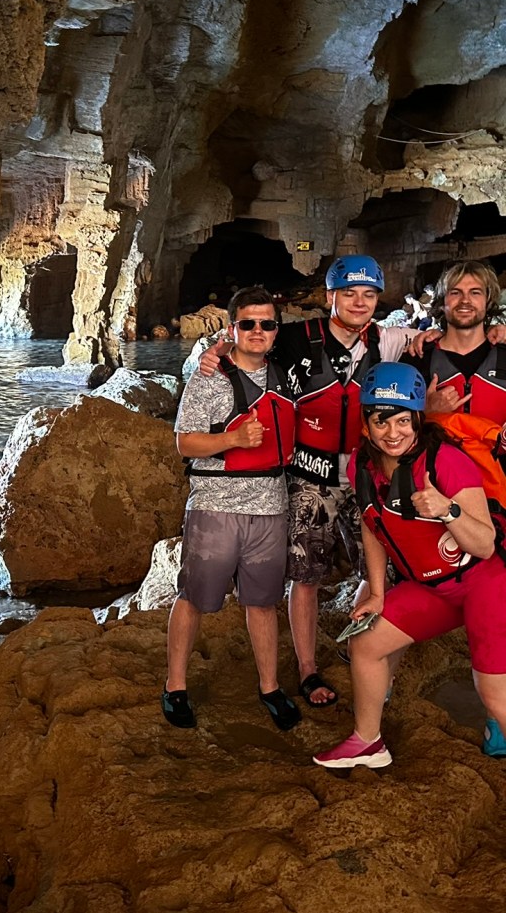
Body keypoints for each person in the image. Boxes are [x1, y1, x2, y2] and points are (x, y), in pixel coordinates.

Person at [197, 255, 420, 708]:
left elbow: (442, 339)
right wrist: (214, 351)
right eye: (349, 293)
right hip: (307, 476)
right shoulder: (296, 337)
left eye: (369, 295)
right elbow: (245, 346)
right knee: (306, 574)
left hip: (363, 475)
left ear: (379, 299)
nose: (359, 303)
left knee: (386, 570)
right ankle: (306, 669)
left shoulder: (389, 339)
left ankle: (362, 641)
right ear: (330, 297)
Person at [313, 362, 506, 768]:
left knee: (492, 692)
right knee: (365, 644)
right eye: (381, 421)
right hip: (432, 586)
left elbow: (487, 545)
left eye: (403, 420)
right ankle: (368, 742)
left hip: (486, 580)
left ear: (417, 419)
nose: (393, 432)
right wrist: (379, 593)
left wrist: (447, 509)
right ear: (366, 423)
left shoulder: (446, 461)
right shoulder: (360, 467)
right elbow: (372, 525)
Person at [163, 286, 300, 731]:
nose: (258, 331)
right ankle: (175, 686)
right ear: (232, 328)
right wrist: (233, 440)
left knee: (262, 602)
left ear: (276, 330)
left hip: (270, 507)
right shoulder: (208, 377)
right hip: (215, 505)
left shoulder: (286, 377)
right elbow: (184, 441)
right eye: (248, 323)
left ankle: (270, 687)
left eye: (266, 324)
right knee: (195, 598)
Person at [405, 259, 506, 756]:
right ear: (441, 302)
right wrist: (431, 413)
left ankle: (496, 714)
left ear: (489, 302)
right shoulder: (418, 361)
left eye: (475, 292)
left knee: (496, 609)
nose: (464, 300)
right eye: (454, 292)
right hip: (433, 499)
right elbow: (386, 425)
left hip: (498, 503)